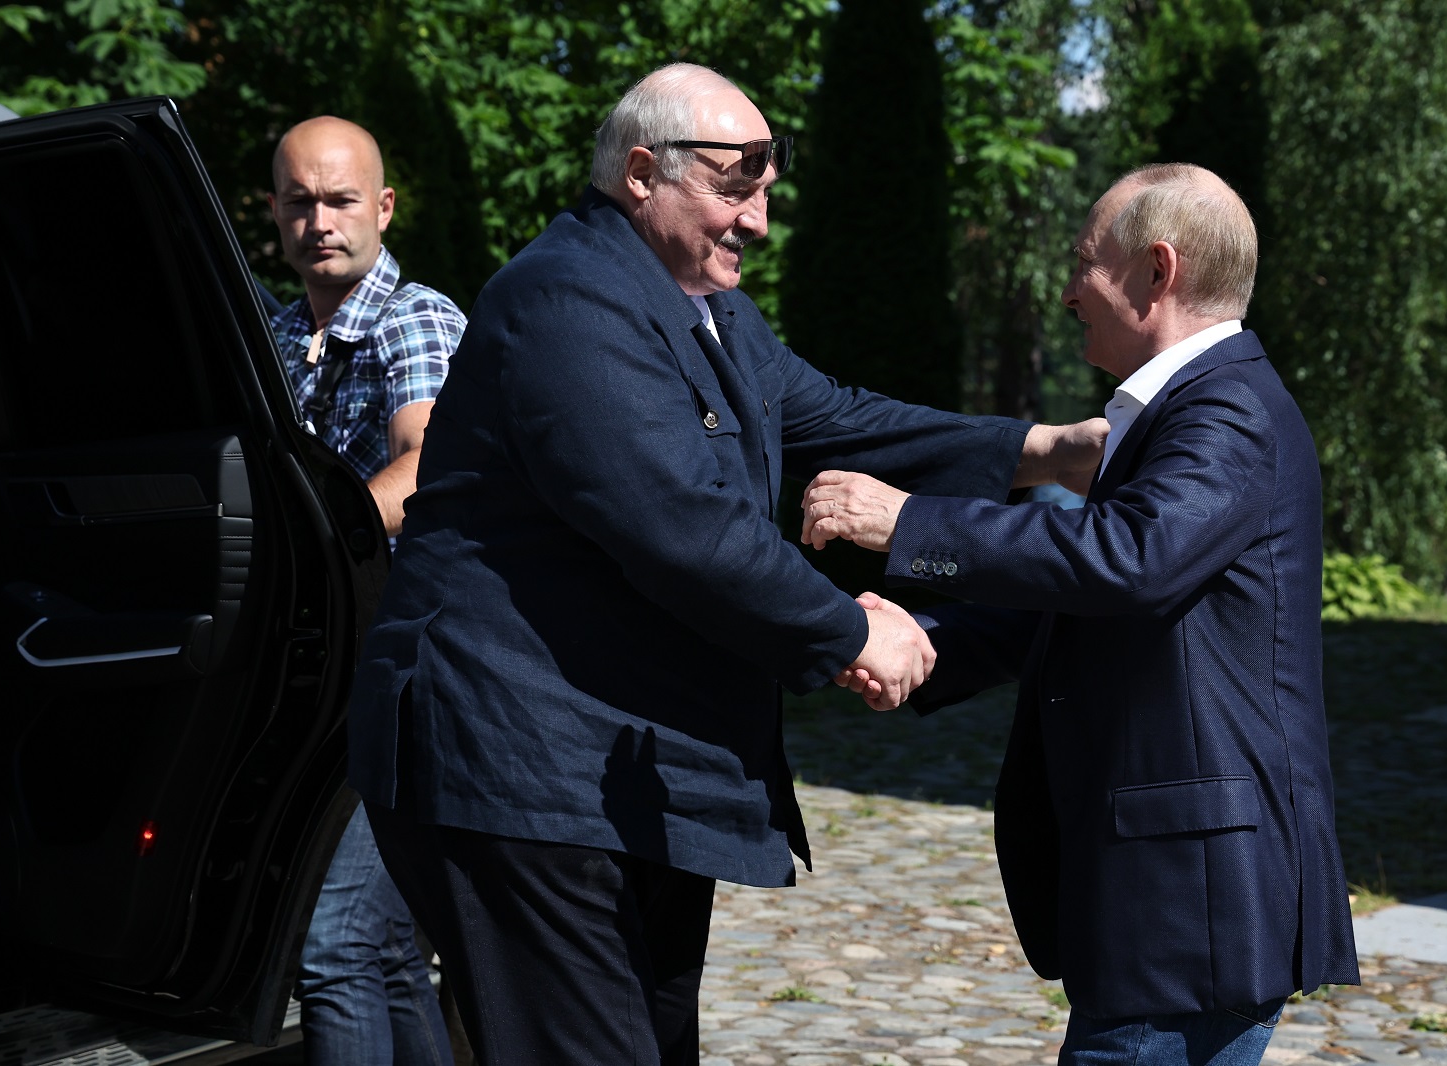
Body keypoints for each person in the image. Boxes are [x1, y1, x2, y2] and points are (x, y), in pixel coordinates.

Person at [345, 62, 1107, 1065]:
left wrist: (1042, 450)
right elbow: (681, 525)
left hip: (623, 771)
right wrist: (854, 631)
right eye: (735, 182)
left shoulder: (707, 307)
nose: (756, 217)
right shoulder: (567, 300)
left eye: (766, 189)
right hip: (516, 767)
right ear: (642, 171)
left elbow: (839, 419)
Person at [802, 164, 1360, 1066]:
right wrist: (920, 643)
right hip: (1172, 912)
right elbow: (1082, 604)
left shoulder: (1229, 411)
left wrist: (907, 521)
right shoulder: (1179, 410)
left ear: (1157, 269)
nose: (1068, 292)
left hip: (1190, 909)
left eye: (1085, 263)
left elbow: (1126, 562)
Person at [268, 115, 464, 1066]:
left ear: (382, 207)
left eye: (341, 200)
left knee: (337, 945)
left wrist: (310, 542)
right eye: (299, 201)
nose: (320, 221)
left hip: (415, 672)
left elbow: (425, 464)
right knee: (385, 952)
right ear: (273, 211)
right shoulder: (269, 331)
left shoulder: (414, 317)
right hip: (327, 672)